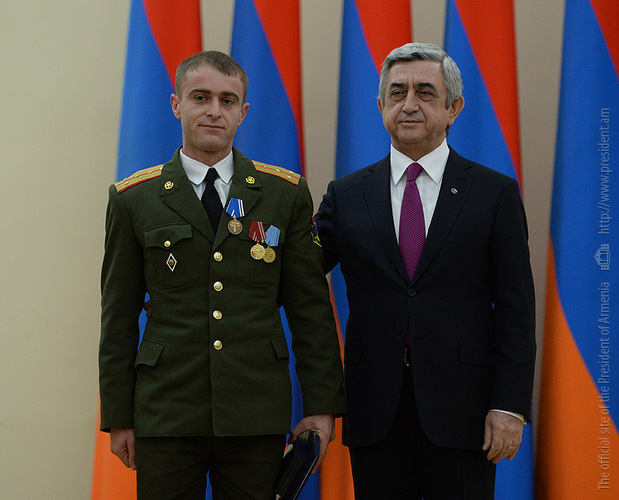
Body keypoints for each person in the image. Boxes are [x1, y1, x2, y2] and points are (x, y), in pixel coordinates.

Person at [99, 50, 346, 500]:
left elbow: (310, 311)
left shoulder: (284, 195)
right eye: (201, 97)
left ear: (243, 112)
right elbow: (118, 316)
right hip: (166, 412)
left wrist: (321, 407)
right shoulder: (134, 198)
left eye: (227, 101)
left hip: (255, 412)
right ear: (176, 104)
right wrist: (119, 417)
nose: (214, 111)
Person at [314, 42, 536, 499]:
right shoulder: (346, 194)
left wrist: (510, 406)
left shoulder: (493, 193)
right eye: (397, 93)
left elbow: (517, 310)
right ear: (381, 106)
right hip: (375, 410)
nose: (409, 104)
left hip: (465, 413)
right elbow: (299, 273)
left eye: (425, 92)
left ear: (454, 108)